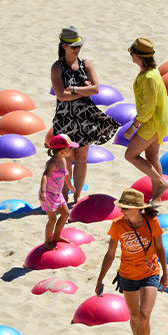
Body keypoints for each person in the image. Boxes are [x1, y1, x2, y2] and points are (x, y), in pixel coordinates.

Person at [95, 189, 168, 335]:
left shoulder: (152, 222)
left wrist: (165, 274)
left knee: (144, 315)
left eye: (126, 208)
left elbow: (160, 248)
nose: (122, 212)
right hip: (127, 275)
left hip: (150, 274)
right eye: (122, 208)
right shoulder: (117, 225)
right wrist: (100, 279)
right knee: (135, 316)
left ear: (138, 209)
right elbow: (110, 254)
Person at [50, 26, 120, 203]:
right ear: (64, 46)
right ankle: (64, 195)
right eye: (73, 46)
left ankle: (77, 196)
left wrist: (73, 89)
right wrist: (84, 90)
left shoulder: (86, 64)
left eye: (79, 45)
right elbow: (61, 96)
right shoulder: (57, 68)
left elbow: (96, 89)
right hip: (65, 118)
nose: (77, 49)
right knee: (67, 158)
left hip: (85, 117)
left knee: (81, 158)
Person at [124, 37, 168, 205]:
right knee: (152, 156)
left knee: (130, 155)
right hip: (157, 120)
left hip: (152, 122)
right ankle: (157, 197)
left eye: (132, 53)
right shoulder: (148, 72)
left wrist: (133, 126)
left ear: (139, 55)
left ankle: (161, 182)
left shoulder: (150, 77)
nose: (131, 56)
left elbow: (148, 109)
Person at [39, 134, 77, 249]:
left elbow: (65, 174)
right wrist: (43, 191)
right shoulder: (52, 163)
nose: (71, 150)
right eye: (69, 148)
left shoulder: (63, 160)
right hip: (49, 194)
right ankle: (47, 241)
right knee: (52, 218)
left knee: (66, 214)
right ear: (61, 151)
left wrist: (70, 185)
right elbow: (45, 175)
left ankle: (56, 236)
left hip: (58, 193)